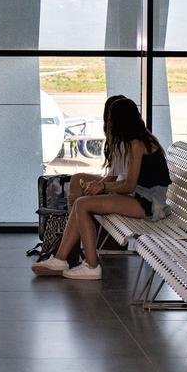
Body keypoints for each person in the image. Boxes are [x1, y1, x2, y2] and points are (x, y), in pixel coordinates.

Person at [32, 98, 170, 280]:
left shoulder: (137, 144)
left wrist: (103, 186)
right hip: (143, 198)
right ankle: (62, 258)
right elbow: (125, 181)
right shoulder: (138, 140)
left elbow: (128, 185)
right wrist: (103, 186)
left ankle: (90, 265)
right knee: (82, 204)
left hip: (149, 203)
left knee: (82, 205)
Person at [66, 95, 127, 211]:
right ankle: (75, 217)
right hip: (118, 182)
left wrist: (91, 190)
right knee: (76, 179)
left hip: (122, 188)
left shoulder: (125, 141)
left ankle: (75, 217)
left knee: (79, 200)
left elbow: (112, 178)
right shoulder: (119, 139)